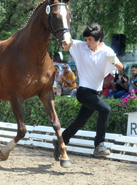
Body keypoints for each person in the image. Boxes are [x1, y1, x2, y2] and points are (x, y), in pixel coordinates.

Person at [53, 23, 124, 160]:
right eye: (86, 39)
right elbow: (67, 44)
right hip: (83, 92)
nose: (87, 42)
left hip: (95, 93)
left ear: (99, 40)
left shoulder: (107, 52)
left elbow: (120, 67)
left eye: (90, 40)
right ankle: (99, 145)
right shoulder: (80, 47)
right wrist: (65, 43)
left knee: (80, 122)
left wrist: (113, 61)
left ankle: (60, 141)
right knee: (106, 109)